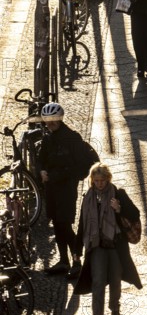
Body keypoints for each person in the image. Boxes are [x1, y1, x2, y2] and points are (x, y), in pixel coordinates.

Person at [73, 163, 142, 315]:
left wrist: (119, 209)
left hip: (116, 246)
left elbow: (135, 214)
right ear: (92, 181)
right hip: (96, 247)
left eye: (102, 180)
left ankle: (115, 309)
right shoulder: (88, 198)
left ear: (108, 179)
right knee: (97, 283)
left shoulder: (118, 194)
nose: (100, 184)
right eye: (96, 181)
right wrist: (77, 249)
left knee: (115, 281)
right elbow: (82, 223)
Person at [38, 103, 99, 279]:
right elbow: (41, 160)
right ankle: (64, 260)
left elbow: (80, 166)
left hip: (66, 188)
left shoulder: (72, 138)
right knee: (57, 224)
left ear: (60, 119)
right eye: (47, 122)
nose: (50, 125)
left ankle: (77, 262)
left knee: (65, 224)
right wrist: (41, 170)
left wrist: (58, 175)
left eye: (53, 121)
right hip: (51, 188)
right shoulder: (48, 138)